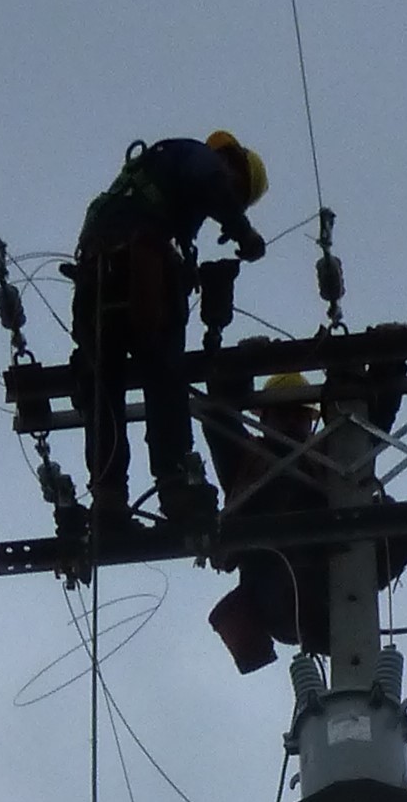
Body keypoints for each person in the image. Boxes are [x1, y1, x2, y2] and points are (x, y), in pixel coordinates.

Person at [70, 131, 269, 529]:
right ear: (231, 163)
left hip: (95, 278)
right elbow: (210, 180)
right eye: (236, 189)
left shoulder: (144, 181)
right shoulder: (196, 156)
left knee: (103, 387)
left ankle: (108, 495)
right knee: (165, 378)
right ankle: (176, 485)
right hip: (139, 269)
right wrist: (243, 232)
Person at [201, 358, 407, 673]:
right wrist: (239, 370)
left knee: (404, 522)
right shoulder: (244, 458)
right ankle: (329, 612)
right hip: (279, 595)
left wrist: (388, 366)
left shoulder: (332, 456)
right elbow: (218, 421)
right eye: (283, 412)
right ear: (262, 416)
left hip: (335, 583)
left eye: (300, 414)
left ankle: (348, 584)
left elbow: (371, 425)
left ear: (312, 420)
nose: (292, 421)